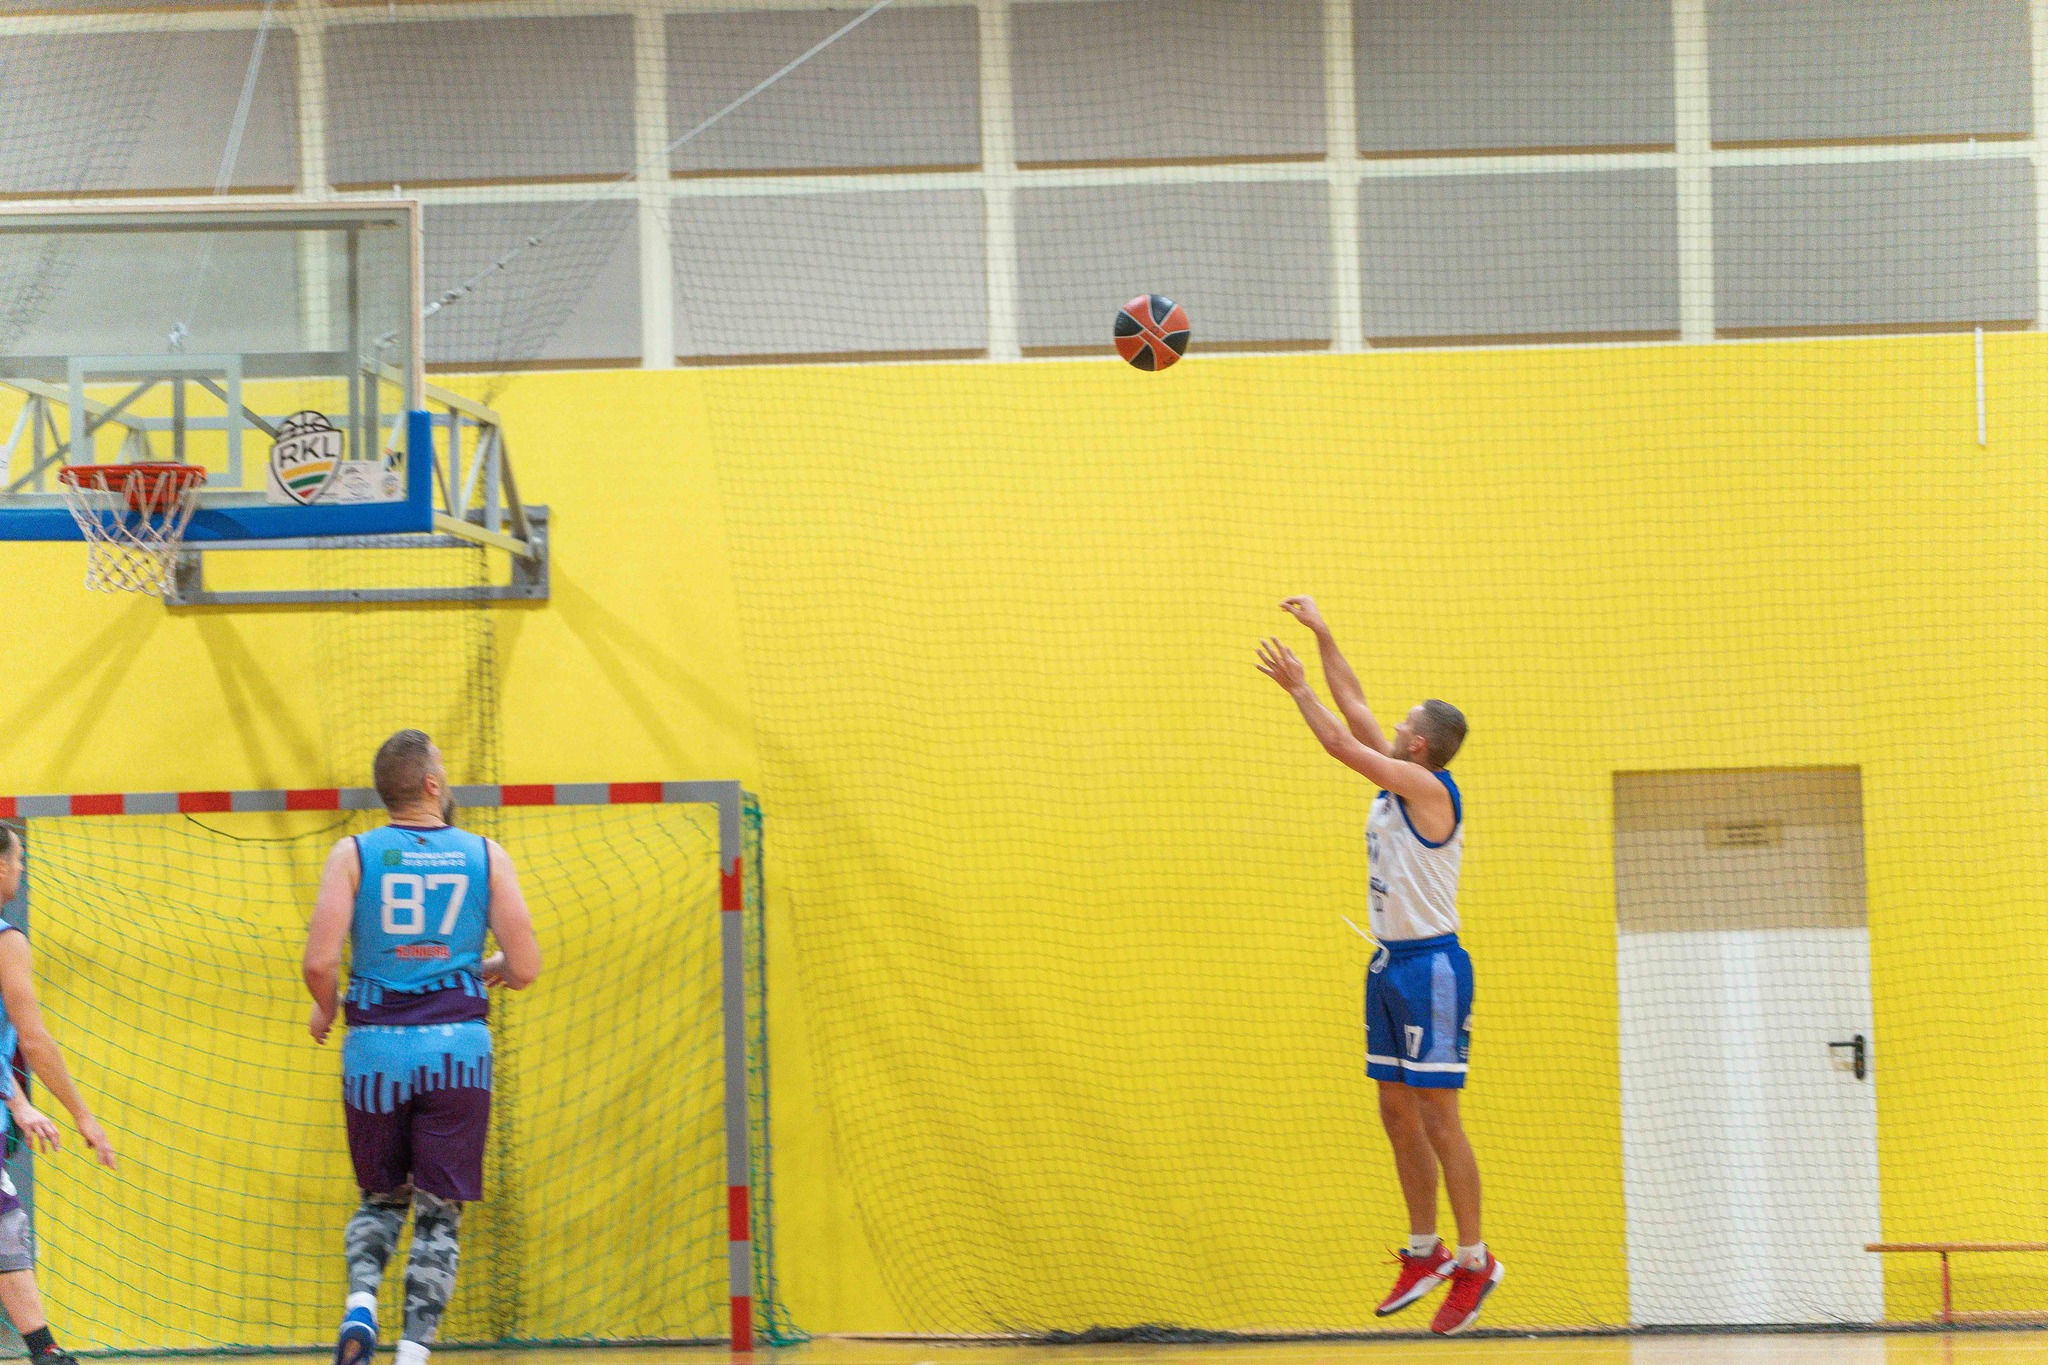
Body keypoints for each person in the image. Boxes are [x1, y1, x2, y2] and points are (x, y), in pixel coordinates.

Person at [1256, 597, 1501, 1336]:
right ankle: (1425, 1251)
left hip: (1433, 967)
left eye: (1402, 725)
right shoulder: (1403, 770)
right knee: (1395, 1112)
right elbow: (1355, 703)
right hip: (1389, 964)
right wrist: (1324, 634)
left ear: (1418, 745)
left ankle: (1475, 1259)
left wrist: (1298, 688)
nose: (1389, 725)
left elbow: (1340, 739)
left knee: (1439, 1117)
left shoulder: (1428, 788)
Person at [304, 732, 539, 1365]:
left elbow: (319, 962)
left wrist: (325, 1008)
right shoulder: (485, 854)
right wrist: (483, 966)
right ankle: (412, 1352)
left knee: (381, 1198)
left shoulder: (352, 853)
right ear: (432, 785)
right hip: (457, 1054)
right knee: (439, 1214)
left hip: (375, 1054)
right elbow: (525, 967)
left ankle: (361, 1303)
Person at [0, 823, 117, 1365]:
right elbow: (34, 1039)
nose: (22, 869)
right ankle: (45, 1352)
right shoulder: (6, 941)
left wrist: (16, 1101)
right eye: (19, 859)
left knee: (6, 1226)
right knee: (6, 1226)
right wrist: (81, 1115)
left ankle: (44, 1351)